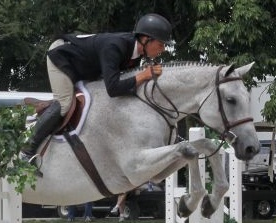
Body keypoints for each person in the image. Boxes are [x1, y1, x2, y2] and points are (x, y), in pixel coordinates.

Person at [20, 13, 172, 162]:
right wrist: (143, 76)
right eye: (160, 44)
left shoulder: (136, 54)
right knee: (64, 103)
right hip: (62, 57)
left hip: (83, 65)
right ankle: (27, 150)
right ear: (146, 40)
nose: (163, 49)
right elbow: (113, 89)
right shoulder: (115, 47)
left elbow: (123, 84)